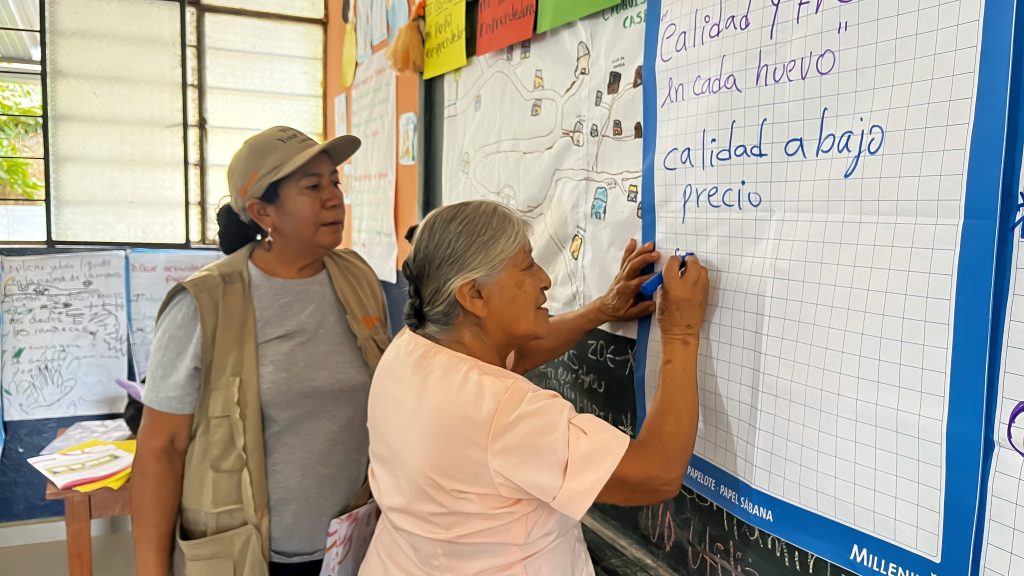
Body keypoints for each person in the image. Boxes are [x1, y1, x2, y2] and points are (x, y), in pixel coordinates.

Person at [363, 200, 709, 574]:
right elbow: (656, 474)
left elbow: (517, 356)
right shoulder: (505, 412)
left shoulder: (410, 349)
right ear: (473, 295)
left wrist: (601, 310)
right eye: (526, 265)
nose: (544, 278)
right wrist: (681, 332)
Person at [131, 126, 390, 576]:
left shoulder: (357, 278)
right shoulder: (205, 302)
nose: (333, 198)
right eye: (312, 186)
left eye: (334, 182)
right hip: (248, 557)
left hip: (351, 547)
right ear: (261, 212)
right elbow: (160, 448)